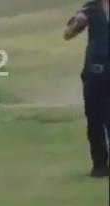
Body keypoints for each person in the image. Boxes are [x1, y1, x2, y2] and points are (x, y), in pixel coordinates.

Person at [64, 0, 110, 177]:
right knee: (94, 122)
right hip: (93, 73)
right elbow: (67, 34)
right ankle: (99, 165)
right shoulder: (90, 8)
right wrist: (77, 23)